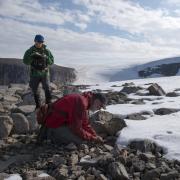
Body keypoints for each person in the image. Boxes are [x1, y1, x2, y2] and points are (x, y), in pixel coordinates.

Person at [37, 91, 107, 144]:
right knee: (81, 141)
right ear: (97, 101)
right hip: (54, 126)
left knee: (85, 138)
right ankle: (50, 137)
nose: (99, 108)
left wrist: (95, 135)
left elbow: (85, 124)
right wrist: (93, 139)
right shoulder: (81, 102)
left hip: (59, 122)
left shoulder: (84, 100)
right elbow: (76, 128)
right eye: (100, 106)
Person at [23, 34, 54, 109]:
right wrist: (31, 57)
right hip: (34, 74)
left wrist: (46, 58)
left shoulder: (47, 51)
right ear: (35, 41)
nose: (39, 43)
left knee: (47, 88)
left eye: (41, 42)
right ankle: (38, 106)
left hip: (45, 73)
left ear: (43, 42)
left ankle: (48, 105)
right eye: (38, 42)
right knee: (34, 89)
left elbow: (51, 62)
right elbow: (25, 61)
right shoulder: (30, 51)